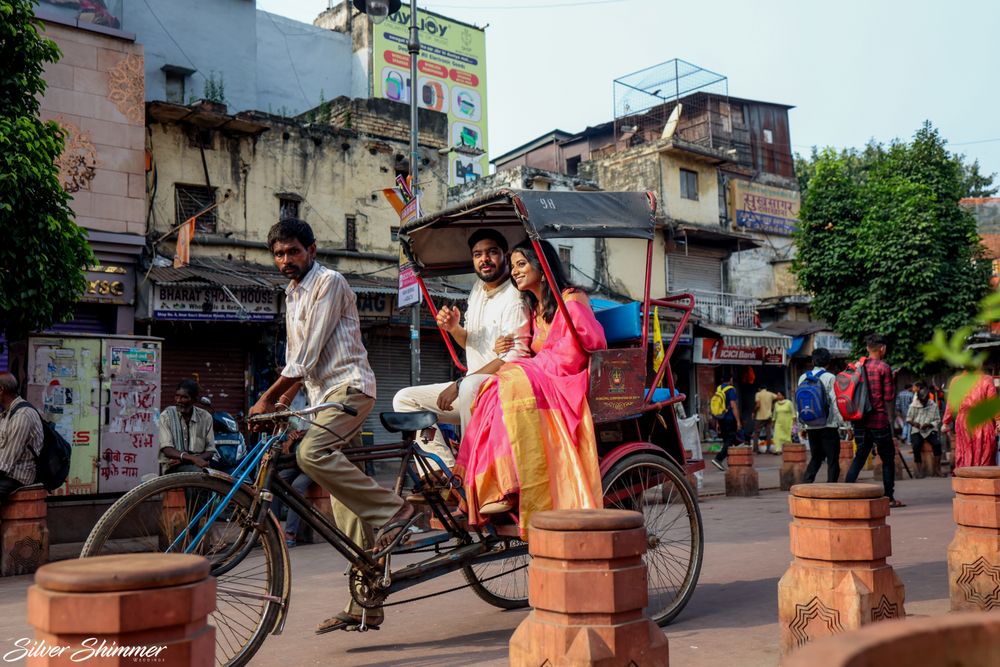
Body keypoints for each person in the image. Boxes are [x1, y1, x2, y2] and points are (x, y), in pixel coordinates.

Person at [249, 218, 415, 634]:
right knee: (346, 511)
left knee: (311, 453)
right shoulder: (292, 294)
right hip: (323, 399)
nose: (285, 260)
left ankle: (396, 510)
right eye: (279, 253)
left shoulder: (330, 282)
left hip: (351, 389)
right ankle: (366, 603)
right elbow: (298, 364)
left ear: (312, 250)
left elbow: (306, 354)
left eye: (293, 251)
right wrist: (285, 400)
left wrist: (267, 396)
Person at [454, 239, 606, 536]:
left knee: (506, 383)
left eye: (521, 265)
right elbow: (534, 349)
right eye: (513, 267)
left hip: (568, 378)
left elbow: (582, 348)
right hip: (546, 375)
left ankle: (509, 483)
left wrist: (535, 363)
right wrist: (507, 348)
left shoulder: (572, 298)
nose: (515, 272)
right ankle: (497, 483)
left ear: (541, 265)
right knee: (492, 390)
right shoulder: (535, 309)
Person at [393, 229, 530, 472]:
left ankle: (471, 472)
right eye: (478, 254)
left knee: (468, 386)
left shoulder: (515, 296)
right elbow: (470, 341)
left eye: (492, 253)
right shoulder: (478, 288)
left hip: (500, 389)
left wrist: (459, 383)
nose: (484, 259)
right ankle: (442, 475)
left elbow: (514, 356)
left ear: (505, 256)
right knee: (405, 399)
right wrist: (454, 328)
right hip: (472, 390)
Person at [845, 334, 904, 508]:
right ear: (882, 348)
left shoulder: (857, 366)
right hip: (878, 419)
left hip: (860, 420)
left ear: (867, 349)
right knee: (887, 458)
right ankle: (889, 497)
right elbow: (889, 396)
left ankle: (846, 491)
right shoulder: (883, 367)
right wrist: (892, 379)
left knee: (860, 455)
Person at [801, 348, 844, 483]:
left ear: (813, 361)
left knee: (816, 458)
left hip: (811, 424)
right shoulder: (830, 377)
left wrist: (802, 425)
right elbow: (835, 402)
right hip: (828, 425)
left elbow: (801, 403)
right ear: (829, 362)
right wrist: (844, 424)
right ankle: (831, 489)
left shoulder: (803, 377)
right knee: (832, 460)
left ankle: (805, 485)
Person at [943, 371, 999, 469]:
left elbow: (951, 403)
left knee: (965, 454)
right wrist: (998, 420)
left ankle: (967, 479)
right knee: (984, 454)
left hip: (964, 422)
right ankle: (982, 480)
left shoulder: (956, 381)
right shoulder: (987, 379)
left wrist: (946, 422)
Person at [0, 373, 42, 503]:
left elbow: (4, 465)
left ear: (1, 390)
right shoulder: (7, 413)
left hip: (18, 476)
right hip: (8, 473)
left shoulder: (21, 416)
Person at [159, 379, 216, 474]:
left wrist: (189, 460)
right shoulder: (166, 416)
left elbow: (210, 451)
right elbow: (167, 449)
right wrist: (193, 459)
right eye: (177, 396)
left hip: (197, 464)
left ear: (194, 399)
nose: (178, 400)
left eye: (184, 397)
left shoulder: (206, 417)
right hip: (173, 467)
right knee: (198, 474)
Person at [908, 385, 943, 477]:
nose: (923, 402)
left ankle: (937, 469)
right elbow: (908, 419)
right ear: (918, 398)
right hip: (917, 430)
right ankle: (919, 471)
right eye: (921, 400)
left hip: (929, 430)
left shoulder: (933, 405)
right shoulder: (913, 405)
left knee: (937, 444)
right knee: (916, 445)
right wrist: (916, 424)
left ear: (928, 398)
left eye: (925, 400)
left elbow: (937, 420)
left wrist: (929, 424)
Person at [711, 370, 741, 471]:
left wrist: (717, 422)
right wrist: (738, 421)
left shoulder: (719, 388)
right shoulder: (731, 389)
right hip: (729, 418)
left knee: (726, 440)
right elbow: (733, 405)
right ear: (731, 379)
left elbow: (718, 406)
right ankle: (718, 458)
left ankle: (731, 463)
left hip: (721, 418)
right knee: (731, 439)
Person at [752, 385, 778, 453]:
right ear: (766, 388)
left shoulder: (758, 394)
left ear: (759, 388)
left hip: (760, 416)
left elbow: (758, 405)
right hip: (768, 416)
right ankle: (768, 450)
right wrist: (772, 405)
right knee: (768, 433)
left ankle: (756, 449)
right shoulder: (770, 394)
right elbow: (777, 397)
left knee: (756, 433)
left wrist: (753, 412)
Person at [771, 389, 795, 454]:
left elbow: (793, 413)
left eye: (779, 395)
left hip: (787, 423)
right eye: (777, 395)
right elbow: (774, 414)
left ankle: (789, 449)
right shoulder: (776, 404)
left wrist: (794, 424)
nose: (778, 397)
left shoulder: (789, 403)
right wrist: (773, 422)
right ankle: (777, 450)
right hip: (778, 423)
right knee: (776, 436)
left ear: (783, 396)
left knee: (787, 438)